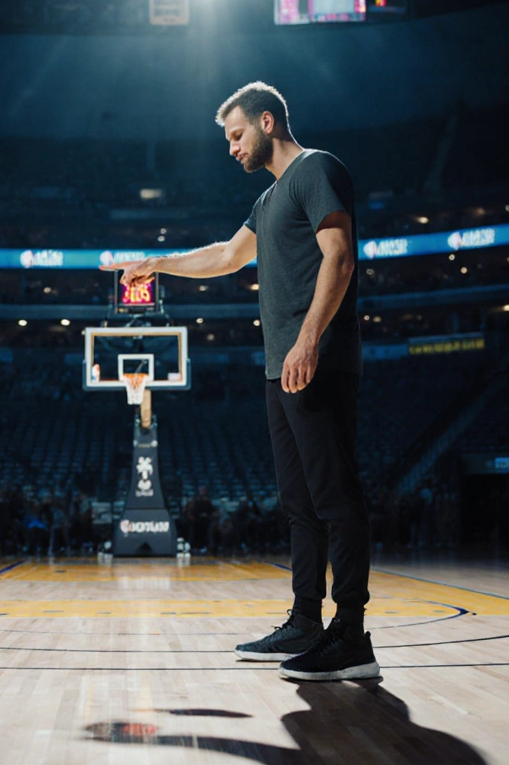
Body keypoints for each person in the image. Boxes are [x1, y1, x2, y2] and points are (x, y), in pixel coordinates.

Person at [101, 82, 376, 682]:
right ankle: (306, 621)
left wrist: (307, 340)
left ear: (268, 121)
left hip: (318, 358)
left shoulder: (315, 170)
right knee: (299, 505)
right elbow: (227, 256)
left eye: (236, 134)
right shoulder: (269, 199)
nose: (230, 147)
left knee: (334, 498)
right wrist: (156, 263)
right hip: (282, 367)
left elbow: (341, 257)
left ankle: (352, 635)